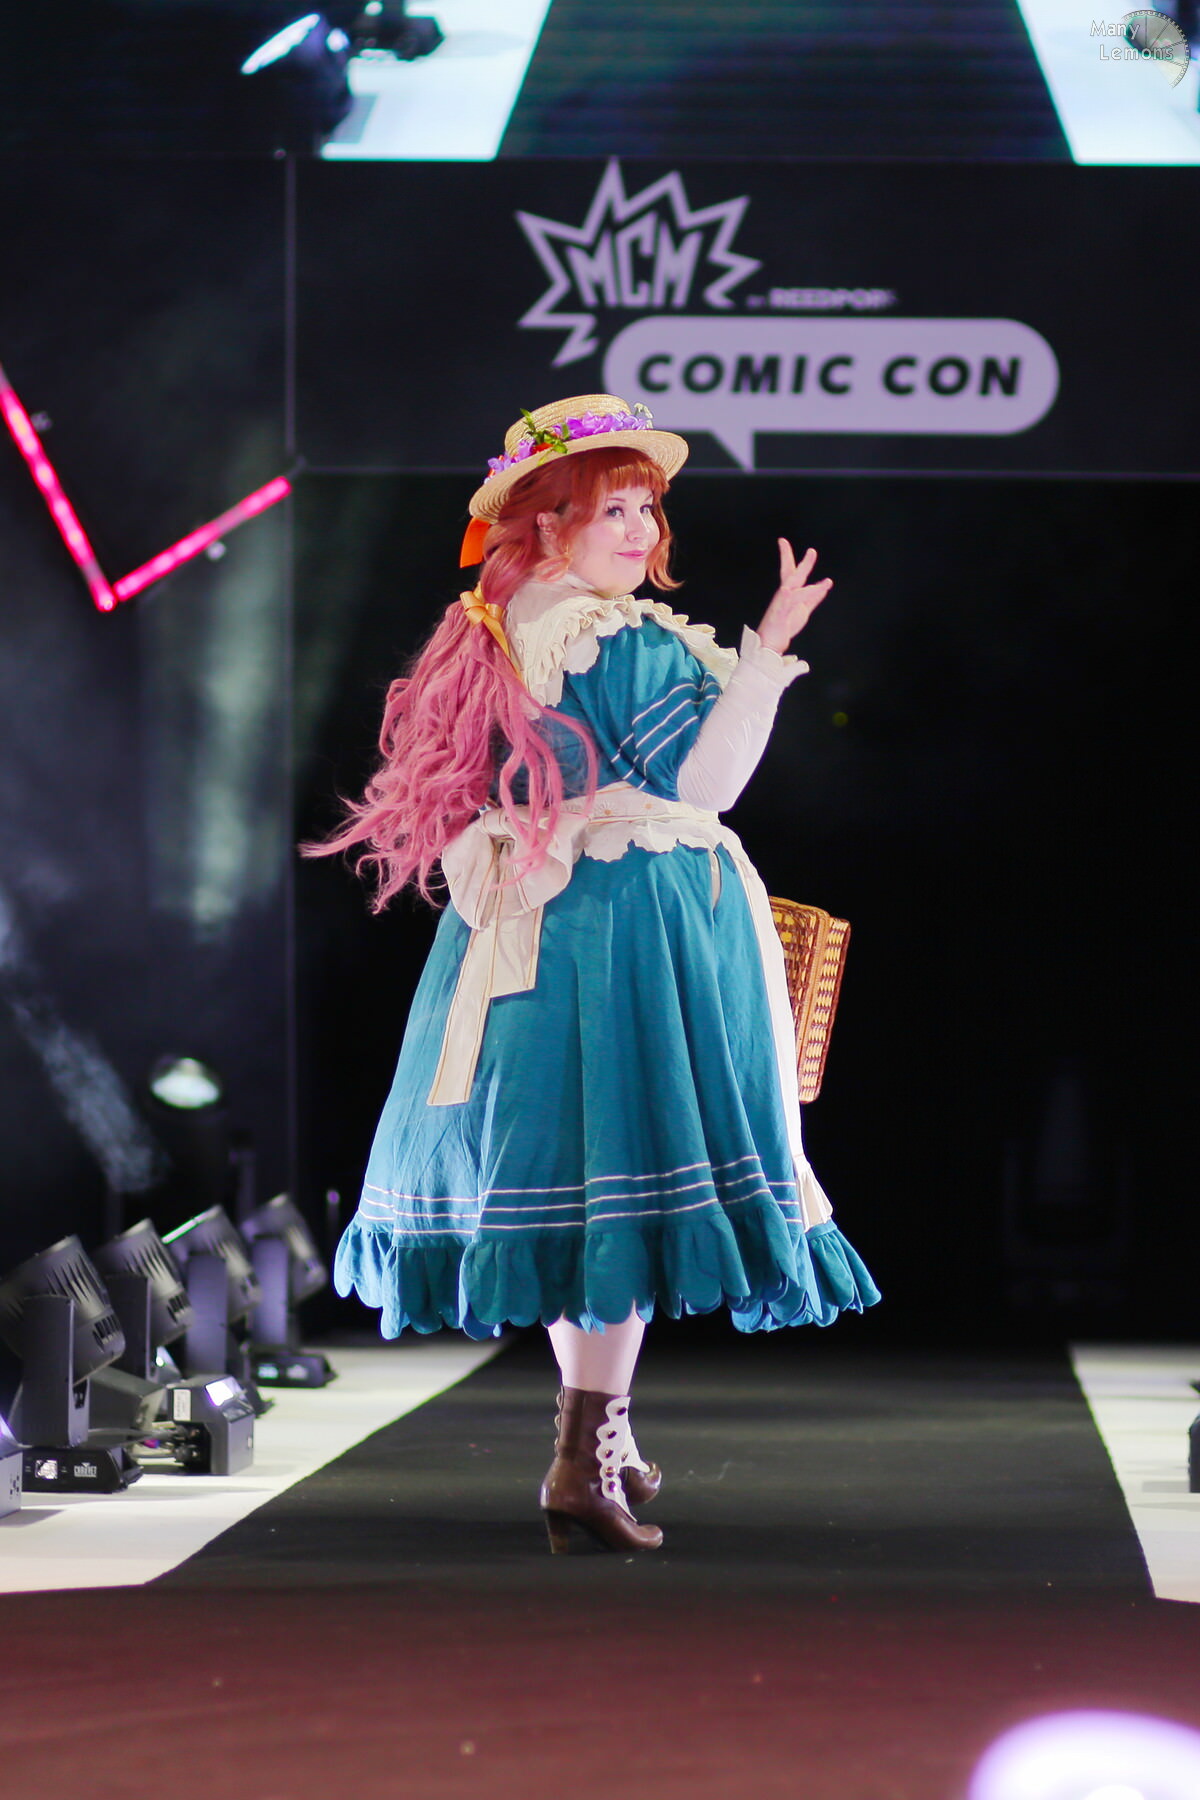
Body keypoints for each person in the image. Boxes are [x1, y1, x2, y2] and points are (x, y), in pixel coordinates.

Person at [310, 393, 880, 1554]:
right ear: (548, 523)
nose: (638, 529)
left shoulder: (498, 624)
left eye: (645, 508)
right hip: (623, 924)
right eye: (611, 508)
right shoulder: (617, 638)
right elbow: (705, 787)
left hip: (536, 917)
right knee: (620, 1178)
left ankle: (598, 1440)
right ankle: (582, 1457)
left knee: (582, 1191)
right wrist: (768, 653)